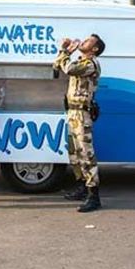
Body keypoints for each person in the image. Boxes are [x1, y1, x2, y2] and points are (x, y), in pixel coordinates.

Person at [53, 34, 105, 213]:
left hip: (82, 114)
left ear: (95, 49)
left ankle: (94, 195)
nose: (83, 41)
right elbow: (57, 65)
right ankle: (82, 186)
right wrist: (65, 52)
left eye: (89, 40)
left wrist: (65, 51)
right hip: (73, 112)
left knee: (86, 154)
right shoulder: (80, 61)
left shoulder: (90, 64)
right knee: (74, 154)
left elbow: (68, 68)